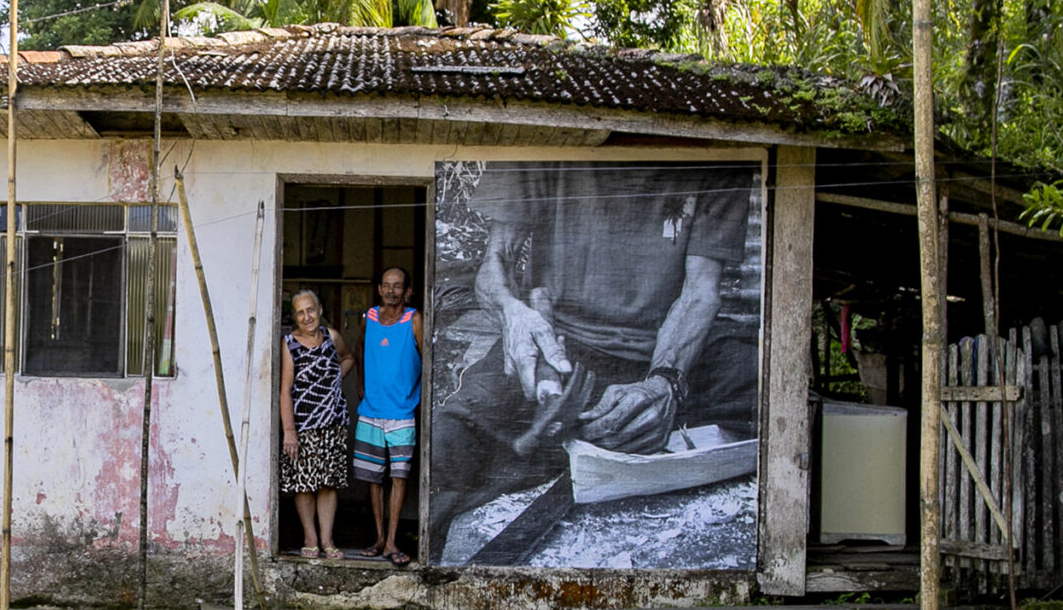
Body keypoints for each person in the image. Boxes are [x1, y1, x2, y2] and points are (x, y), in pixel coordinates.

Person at [427, 162, 758, 562]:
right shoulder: (541, 144)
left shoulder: (716, 157)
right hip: (558, 342)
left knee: (776, 400)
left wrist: (666, 382)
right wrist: (513, 315)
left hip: (669, 343)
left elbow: (700, 291)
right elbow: (495, 264)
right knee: (445, 446)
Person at [352, 265, 426, 564]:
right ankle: (380, 538)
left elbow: (428, 359)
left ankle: (392, 542)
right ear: (379, 289)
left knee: (398, 477)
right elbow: (359, 348)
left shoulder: (414, 320)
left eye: (397, 286)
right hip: (371, 411)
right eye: (387, 285)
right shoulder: (369, 317)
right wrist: (360, 381)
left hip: (402, 412)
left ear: (408, 291)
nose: (391, 290)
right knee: (373, 479)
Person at [276, 288, 354, 559]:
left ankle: (327, 540)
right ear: (295, 317)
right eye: (300, 312)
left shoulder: (332, 337)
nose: (307, 316)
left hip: (333, 422)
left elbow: (349, 357)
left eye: (310, 309)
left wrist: (333, 380)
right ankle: (310, 538)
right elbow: (285, 390)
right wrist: (289, 431)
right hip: (303, 425)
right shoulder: (289, 344)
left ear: (320, 310)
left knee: (328, 483)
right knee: (304, 483)